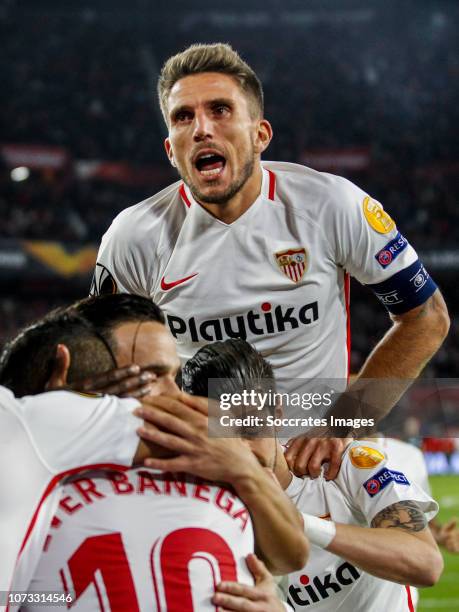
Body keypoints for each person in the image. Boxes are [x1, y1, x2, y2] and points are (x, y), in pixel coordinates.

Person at [91, 42, 449, 475]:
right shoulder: (133, 236)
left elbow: (426, 316)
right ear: (171, 150)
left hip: (315, 466)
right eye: (183, 117)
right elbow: (102, 362)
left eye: (220, 110)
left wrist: (343, 422)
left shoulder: (331, 205)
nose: (202, 128)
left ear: (260, 134)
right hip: (201, 469)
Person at [1, 294, 306, 610]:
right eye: (149, 376)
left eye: (173, 376)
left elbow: (293, 554)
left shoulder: (211, 457)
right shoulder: (35, 448)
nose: (175, 395)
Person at [137, 339, 444, 611]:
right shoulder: (202, 509)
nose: (242, 449)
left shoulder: (342, 464)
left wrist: (301, 524)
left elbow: (425, 563)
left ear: (277, 413)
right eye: (223, 434)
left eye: (252, 428)